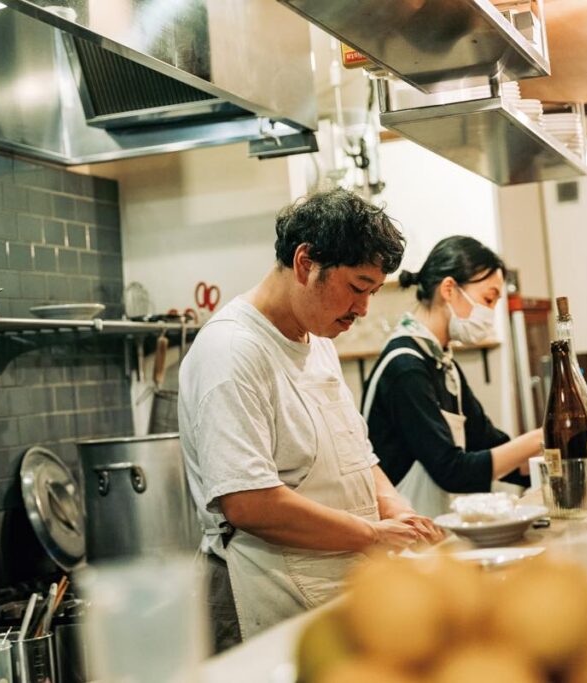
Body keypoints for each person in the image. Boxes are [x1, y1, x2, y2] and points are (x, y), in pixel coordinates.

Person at [178, 188, 443, 650]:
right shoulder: (232, 351)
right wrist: (371, 534)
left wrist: (398, 512)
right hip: (261, 593)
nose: (363, 309)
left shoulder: (317, 339)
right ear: (305, 263)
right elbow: (248, 501)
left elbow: (355, 455)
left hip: (329, 593)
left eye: (373, 292)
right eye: (358, 288)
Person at [361, 236, 541, 518]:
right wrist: (538, 440)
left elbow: (489, 444)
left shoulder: (442, 363)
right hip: (403, 542)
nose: (490, 314)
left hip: (435, 528)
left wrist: (557, 459)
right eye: (488, 299)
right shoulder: (405, 367)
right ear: (449, 289)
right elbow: (451, 470)